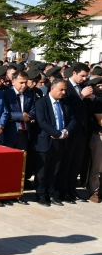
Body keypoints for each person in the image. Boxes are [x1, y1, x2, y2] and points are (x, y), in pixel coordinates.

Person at [34, 80, 76, 207]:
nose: (63, 93)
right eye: (61, 90)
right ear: (52, 88)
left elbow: (73, 119)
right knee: (42, 170)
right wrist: (57, 133)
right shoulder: (41, 102)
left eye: (65, 90)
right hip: (46, 141)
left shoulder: (65, 102)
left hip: (61, 141)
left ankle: (51, 193)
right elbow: (42, 122)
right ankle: (41, 195)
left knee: (55, 169)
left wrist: (66, 131)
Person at [61, 63, 93, 203]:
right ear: (74, 73)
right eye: (82, 76)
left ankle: (72, 190)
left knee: (76, 163)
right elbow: (66, 108)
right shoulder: (65, 87)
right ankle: (63, 191)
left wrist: (90, 99)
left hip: (82, 131)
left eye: (86, 76)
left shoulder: (83, 87)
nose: (84, 79)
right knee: (66, 163)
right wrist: (81, 96)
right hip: (70, 131)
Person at [3, 71, 36, 205]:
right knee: (7, 165)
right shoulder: (6, 94)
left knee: (20, 166)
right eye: (21, 82)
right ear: (13, 82)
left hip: (24, 134)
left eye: (25, 82)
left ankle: (17, 193)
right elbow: (5, 112)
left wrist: (28, 115)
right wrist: (19, 116)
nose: (24, 85)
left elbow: (33, 109)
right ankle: (4, 193)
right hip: (10, 134)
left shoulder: (29, 94)